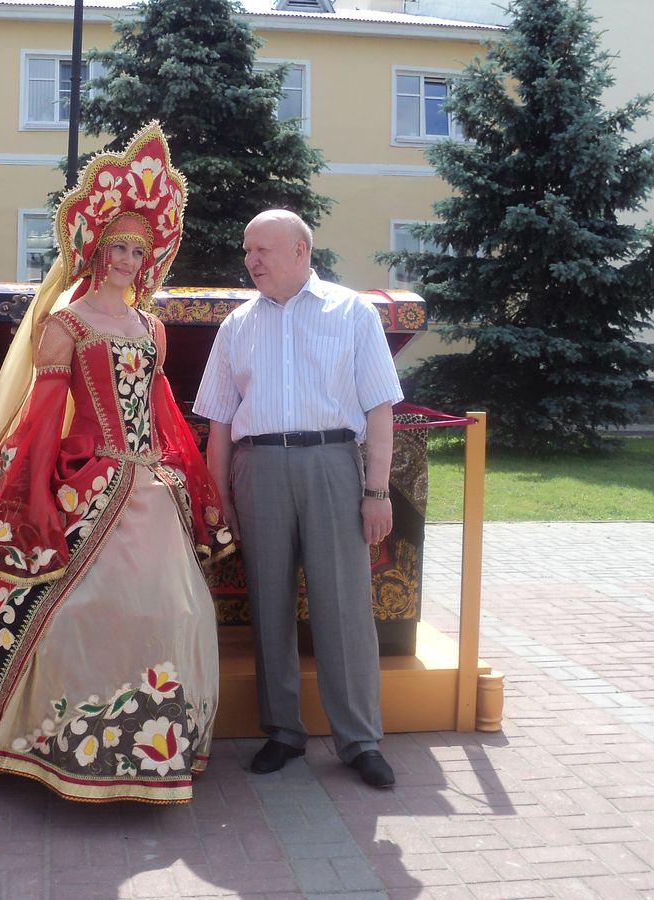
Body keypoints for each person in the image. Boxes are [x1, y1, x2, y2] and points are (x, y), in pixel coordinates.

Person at [0, 122, 233, 804]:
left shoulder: (149, 326)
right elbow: (42, 419)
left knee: (175, 611)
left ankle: (155, 747)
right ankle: (59, 743)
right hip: (91, 478)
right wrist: (26, 487)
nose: (128, 259)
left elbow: (162, 412)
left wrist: (182, 472)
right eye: (119, 246)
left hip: (149, 486)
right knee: (81, 609)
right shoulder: (67, 324)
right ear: (95, 249)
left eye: (139, 250)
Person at [193, 209, 403, 789]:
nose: (250, 260)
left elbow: (380, 407)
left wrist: (376, 490)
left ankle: (358, 738)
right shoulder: (237, 324)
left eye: (262, 249)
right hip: (256, 467)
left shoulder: (351, 312)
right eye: (247, 250)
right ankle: (283, 730)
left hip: (333, 463)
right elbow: (217, 422)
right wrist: (220, 497)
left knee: (343, 604)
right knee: (268, 601)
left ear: (301, 252)